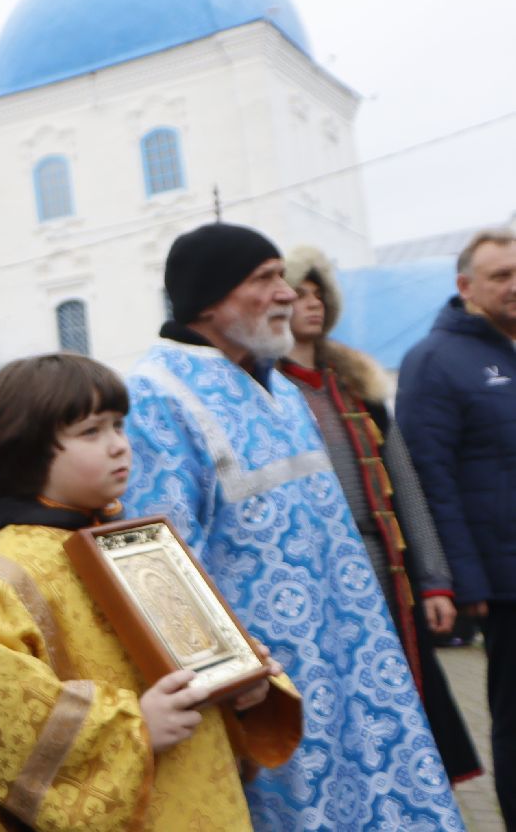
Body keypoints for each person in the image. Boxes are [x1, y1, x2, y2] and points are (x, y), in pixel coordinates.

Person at [118, 222, 466, 830]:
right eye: (265, 279)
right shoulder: (157, 395)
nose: (286, 293)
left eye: (283, 276)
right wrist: (231, 687)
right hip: (270, 692)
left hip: (353, 660)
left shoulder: (279, 384)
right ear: (209, 297)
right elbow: (163, 569)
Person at [0, 353, 299, 830]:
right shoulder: (5, 572)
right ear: (22, 450)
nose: (119, 447)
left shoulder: (137, 543)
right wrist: (135, 728)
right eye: (91, 432)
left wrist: (245, 686)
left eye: (118, 426)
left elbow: (205, 656)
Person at [278, 245, 482, 784]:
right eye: (300, 295)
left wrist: (436, 581)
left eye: (320, 296)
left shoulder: (357, 384)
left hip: (389, 571)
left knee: (409, 697)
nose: (313, 305)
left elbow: (407, 489)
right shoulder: (266, 391)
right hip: (318, 577)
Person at [397, 227, 516, 818]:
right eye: (501, 276)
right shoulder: (436, 361)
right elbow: (427, 479)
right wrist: (457, 582)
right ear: (465, 286)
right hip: (504, 584)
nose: (515, 286)